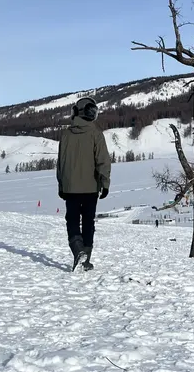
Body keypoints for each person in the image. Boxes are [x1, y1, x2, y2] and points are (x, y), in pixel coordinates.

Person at [57, 96, 111, 271]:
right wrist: (105, 183)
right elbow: (103, 160)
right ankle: (85, 257)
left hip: (70, 187)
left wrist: (61, 185)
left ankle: (78, 251)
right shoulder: (96, 133)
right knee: (88, 222)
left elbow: (61, 163)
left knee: (72, 220)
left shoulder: (65, 135)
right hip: (90, 187)